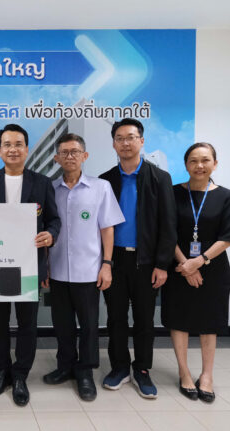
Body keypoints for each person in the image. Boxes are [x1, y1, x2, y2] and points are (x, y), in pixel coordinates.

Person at [0, 123, 60, 406]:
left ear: (26, 149)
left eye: (18, 144)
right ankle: (2, 371)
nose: (13, 149)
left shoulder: (42, 182)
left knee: (27, 324)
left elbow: (53, 220)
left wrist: (51, 235)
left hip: (29, 266)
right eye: (7, 144)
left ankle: (20, 375)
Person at [99, 118, 177, 399]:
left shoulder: (159, 178)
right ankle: (119, 367)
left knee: (144, 319)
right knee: (116, 318)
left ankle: (142, 369)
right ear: (113, 144)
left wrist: (162, 264)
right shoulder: (106, 180)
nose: (126, 143)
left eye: (131, 137)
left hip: (147, 262)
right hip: (115, 260)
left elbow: (169, 225)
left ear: (141, 141)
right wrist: (104, 263)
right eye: (119, 138)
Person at [43, 133, 124, 401]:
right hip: (57, 270)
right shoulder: (50, 189)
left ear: (84, 156)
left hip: (89, 271)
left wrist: (107, 264)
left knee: (89, 325)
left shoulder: (100, 187)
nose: (70, 156)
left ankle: (85, 371)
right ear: (56, 158)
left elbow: (107, 229)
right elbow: (44, 229)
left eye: (75, 152)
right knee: (62, 324)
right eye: (64, 152)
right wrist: (44, 267)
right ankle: (65, 366)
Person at [162, 143, 230, 403]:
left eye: (205, 160)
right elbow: (166, 231)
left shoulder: (225, 196)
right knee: (179, 319)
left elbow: (227, 236)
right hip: (178, 265)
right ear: (186, 164)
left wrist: (199, 261)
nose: (199, 165)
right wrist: (185, 264)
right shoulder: (172, 193)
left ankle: (207, 376)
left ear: (215, 163)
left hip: (213, 267)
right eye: (193, 160)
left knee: (209, 322)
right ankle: (184, 372)